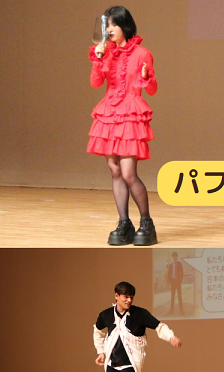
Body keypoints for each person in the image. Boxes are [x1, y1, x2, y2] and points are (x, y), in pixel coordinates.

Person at [88, 6, 158, 245]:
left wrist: (146, 77)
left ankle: (146, 223)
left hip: (129, 113)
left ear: (125, 26)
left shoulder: (142, 53)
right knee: (115, 170)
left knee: (128, 173)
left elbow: (152, 89)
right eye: (107, 25)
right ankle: (124, 223)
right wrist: (98, 59)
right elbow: (96, 83)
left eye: (114, 25)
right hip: (109, 112)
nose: (110, 30)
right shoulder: (105, 51)